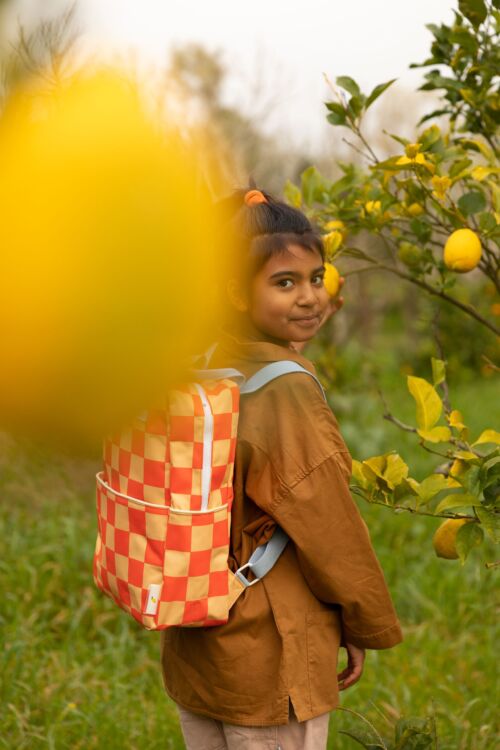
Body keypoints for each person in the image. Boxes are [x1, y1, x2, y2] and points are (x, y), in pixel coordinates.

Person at [160, 187, 403, 750]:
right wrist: (362, 621)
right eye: (284, 282)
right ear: (235, 293)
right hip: (271, 651)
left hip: (199, 639)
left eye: (316, 278)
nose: (310, 298)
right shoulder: (285, 388)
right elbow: (327, 522)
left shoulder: (200, 369)